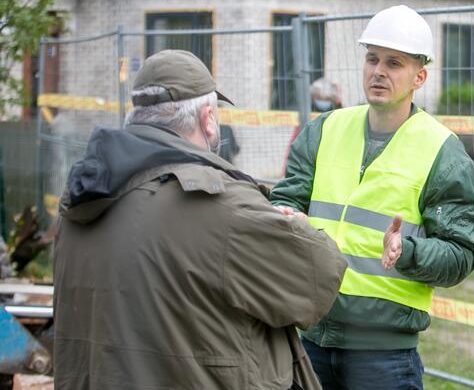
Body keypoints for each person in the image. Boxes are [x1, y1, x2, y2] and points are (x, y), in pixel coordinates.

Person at [53, 49, 347, 389]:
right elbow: (319, 278)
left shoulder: (79, 207)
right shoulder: (221, 208)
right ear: (208, 118)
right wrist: (296, 227)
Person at [269, 5, 474, 390]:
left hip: (384, 355)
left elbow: (460, 254)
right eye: (372, 59)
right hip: (312, 339)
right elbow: (286, 202)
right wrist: (284, 220)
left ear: (420, 76)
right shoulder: (324, 130)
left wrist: (410, 252)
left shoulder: (443, 152)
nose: (378, 71)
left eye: (394, 63)